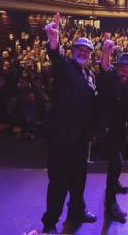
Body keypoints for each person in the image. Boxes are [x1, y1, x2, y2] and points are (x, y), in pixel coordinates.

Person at [40, 13, 98, 233]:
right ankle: (50, 223)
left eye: (87, 51)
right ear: (72, 52)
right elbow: (55, 56)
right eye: (79, 50)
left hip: (81, 139)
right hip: (62, 137)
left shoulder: (90, 75)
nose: (83, 53)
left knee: (78, 180)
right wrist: (54, 41)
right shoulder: (66, 68)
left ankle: (76, 212)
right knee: (58, 182)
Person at [97, 36, 128, 224]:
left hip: (120, 130)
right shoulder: (109, 76)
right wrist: (106, 52)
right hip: (106, 129)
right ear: (117, 68)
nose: (126, 74)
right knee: (117, 163)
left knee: (119, 159)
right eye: (123, 70)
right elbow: (103, 67)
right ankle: (111, 203)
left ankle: (115, 183)